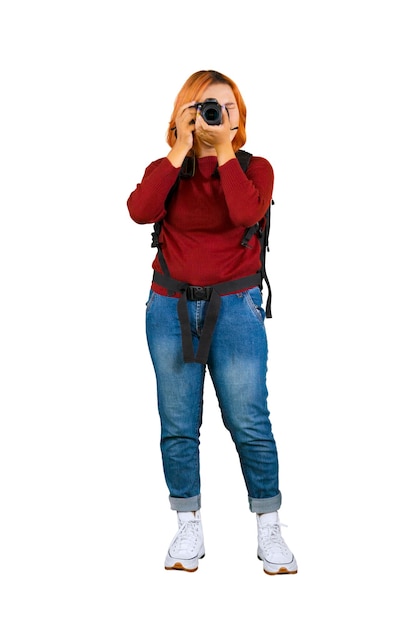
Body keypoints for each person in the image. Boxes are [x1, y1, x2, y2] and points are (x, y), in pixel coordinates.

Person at [127, 69, 297, 575]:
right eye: (205, 106)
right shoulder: (166, 168)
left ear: (238, 117)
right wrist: (179, 150)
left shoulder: (255, 168)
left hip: (236, 308)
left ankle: (268, 524)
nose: (215, 114)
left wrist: (222, 150)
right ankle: (188, 524)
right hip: (169, 306)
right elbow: (139, 211)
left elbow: (246, 213)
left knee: (249, 421)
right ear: (186, 112)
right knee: (178, 424)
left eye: (225, 107)